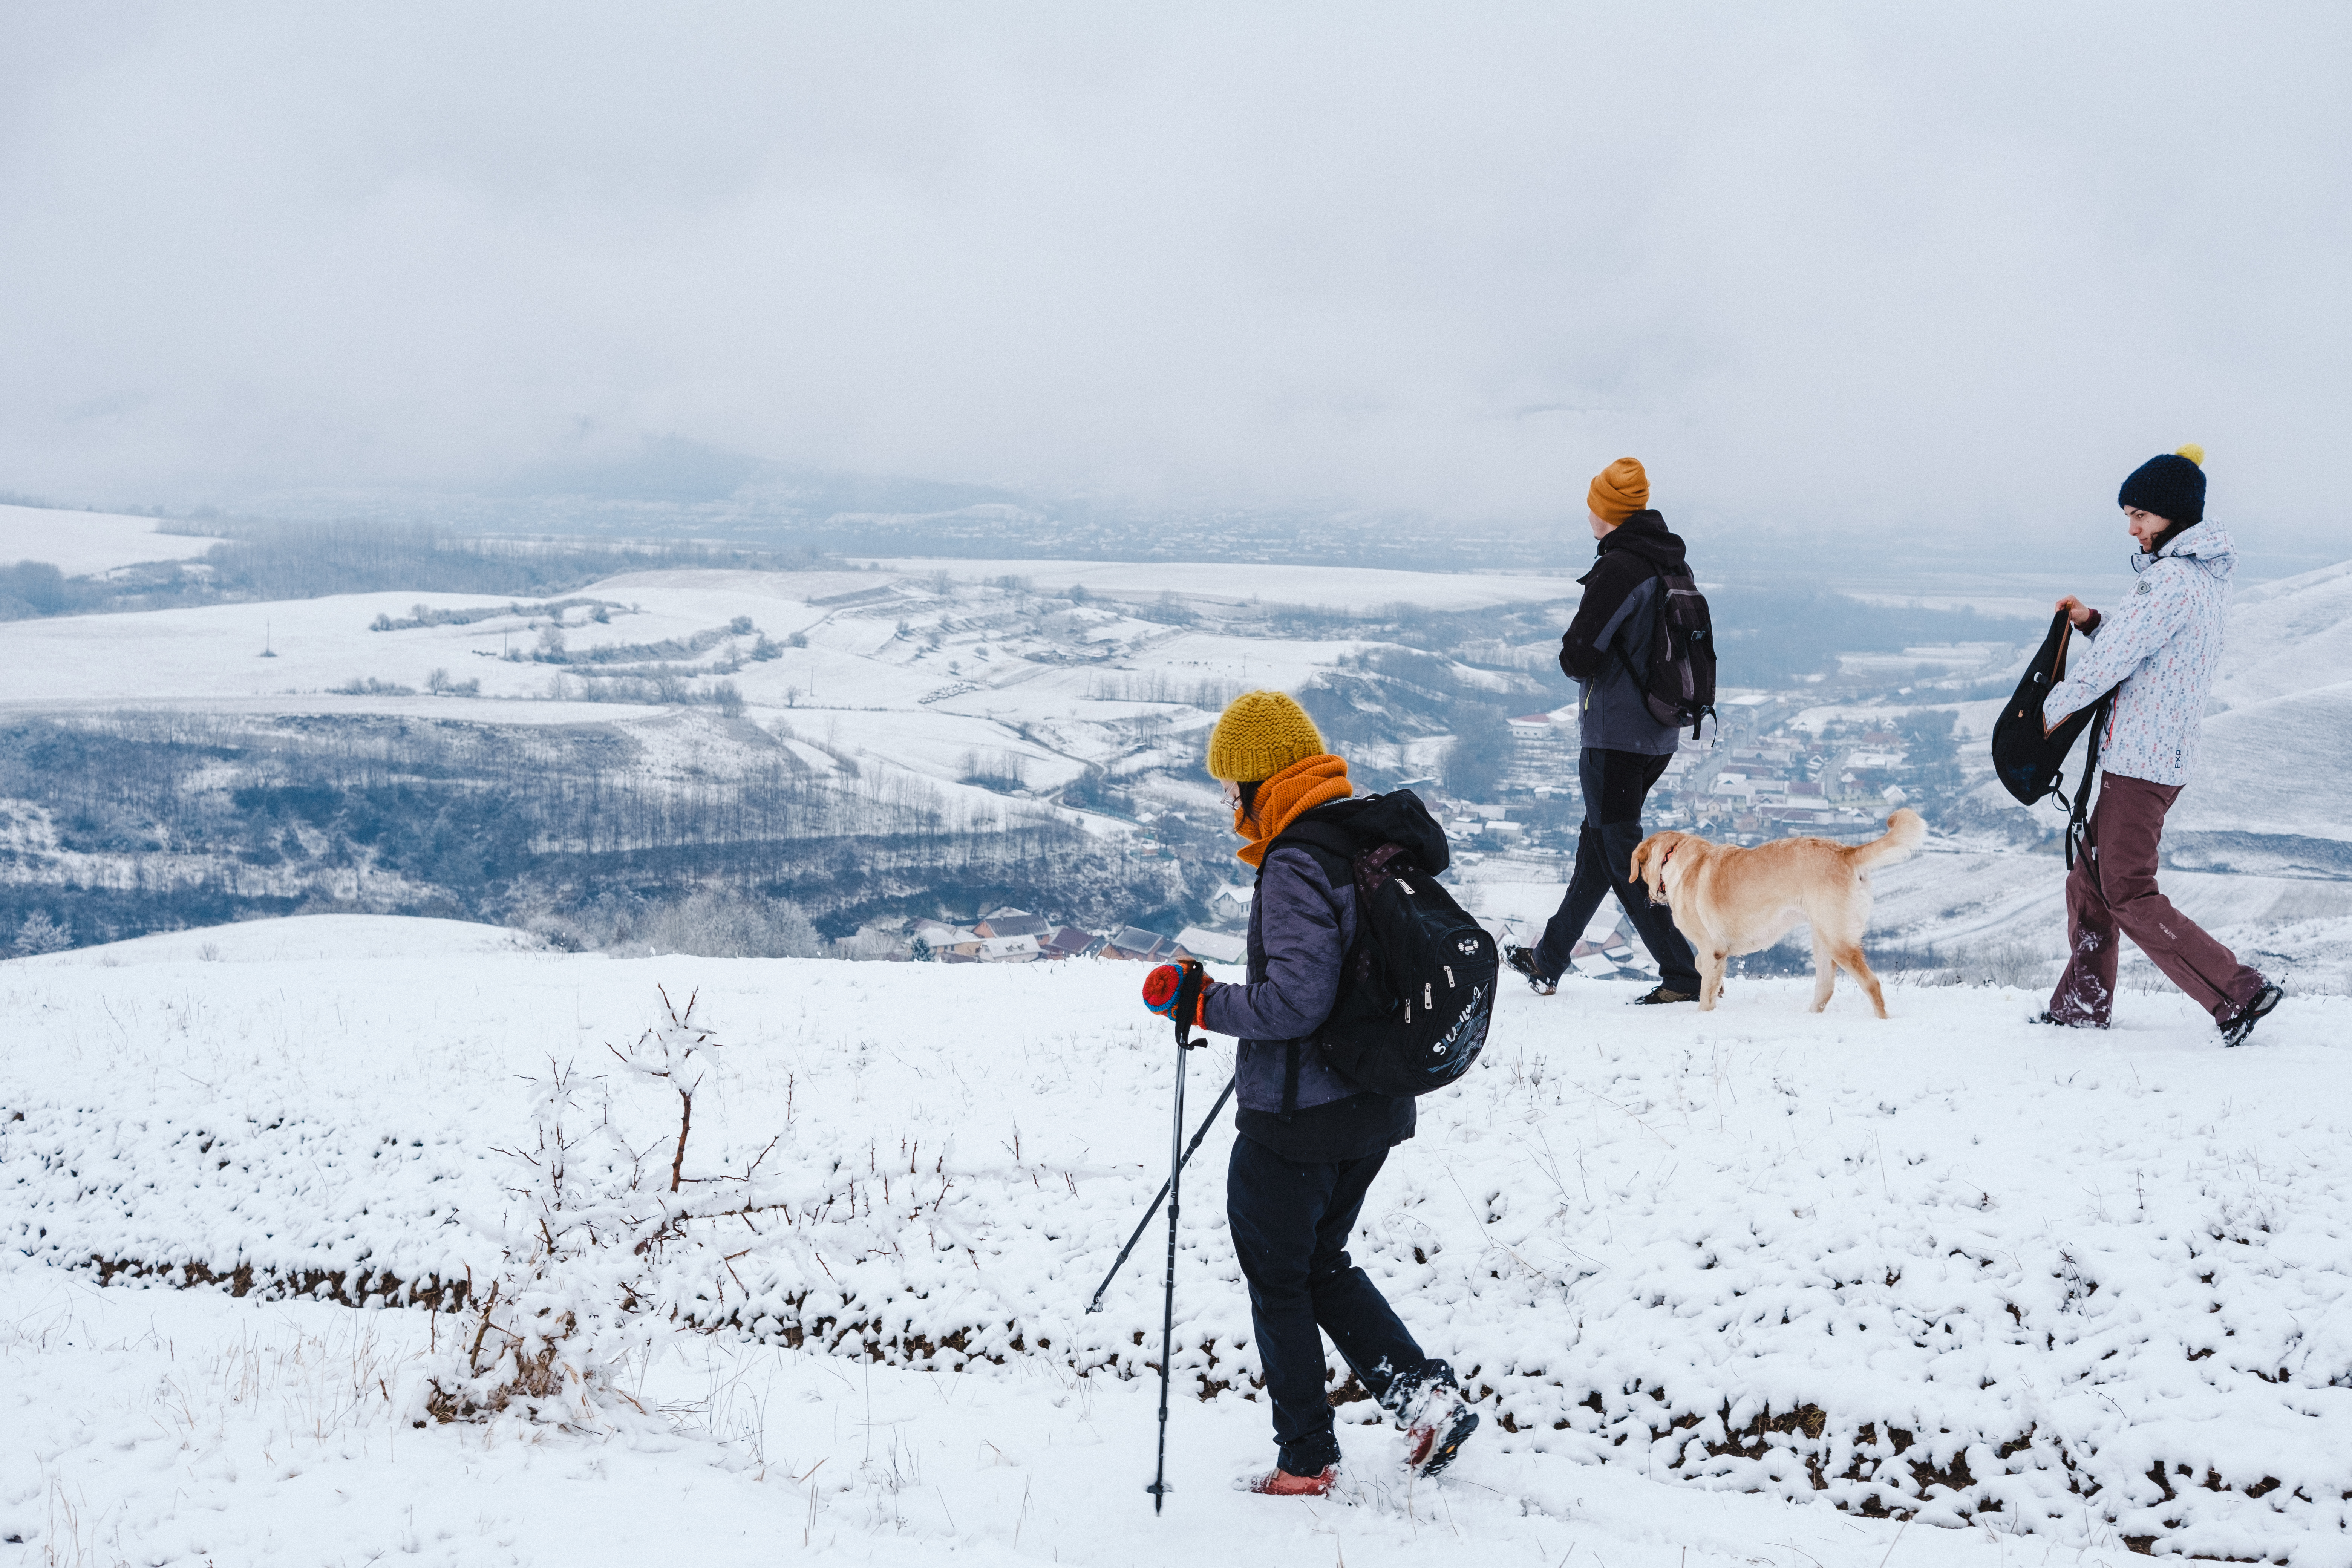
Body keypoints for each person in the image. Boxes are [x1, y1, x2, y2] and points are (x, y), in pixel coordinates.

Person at [1138, 690, 1478, 1496]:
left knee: (1279, 1276)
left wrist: (1199, 1002)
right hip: (1374, 1105)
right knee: (1320, 1260)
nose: (1229, 805)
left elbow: (1296, 1002)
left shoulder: (1296, 861)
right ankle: (1425, 1401)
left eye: (1232, 787)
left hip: (1299, 1121)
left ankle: (1305, 1459)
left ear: (1264, 782)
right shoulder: (1361, 837)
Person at [2038, 444, 2283, 1044]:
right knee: (2090, 882)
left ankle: (2239, 991)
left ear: (2173, 515)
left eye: (2141, 516)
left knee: (2125, 889)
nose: (2132, 528)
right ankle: (2081, 1006)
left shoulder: (2171, 581)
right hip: (2156, 755)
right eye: (2129, 515)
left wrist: (2047, 713)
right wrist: (2094, 621)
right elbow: (2142, 644)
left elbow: (2118, 661)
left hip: (2141, 762)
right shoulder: (2197, 576)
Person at [1505, 456, 1705, 1003]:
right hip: (1658, 735)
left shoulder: (1620, 568)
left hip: (1616, 738)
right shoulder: (1669, 562)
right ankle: (1547, 962)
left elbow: (1579, 654)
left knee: (1623, 860)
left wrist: (1575, 650)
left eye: (1594, 506)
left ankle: (1685, 976)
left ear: (1607, 513)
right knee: (1598, 849)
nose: (1589, 514)